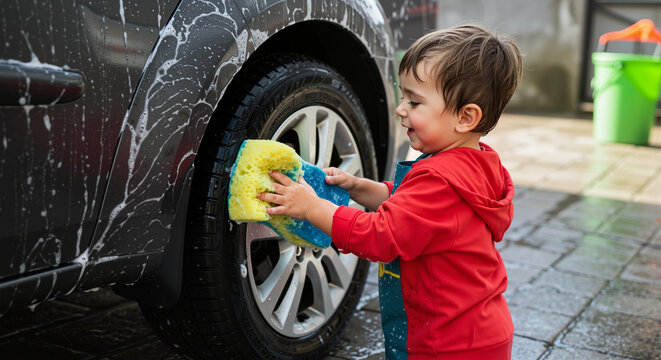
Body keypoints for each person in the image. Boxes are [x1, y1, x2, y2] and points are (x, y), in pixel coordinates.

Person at [258, 24, 523, 359]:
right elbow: (413, 206)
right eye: (403, 97)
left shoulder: (440, 181)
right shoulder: (473, 164)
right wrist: (359, 187)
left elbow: (381, 236)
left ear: (465, 117)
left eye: (415, 101)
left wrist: (312, 208)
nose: (401, 109)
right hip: (475, 331)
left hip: (447, 344)